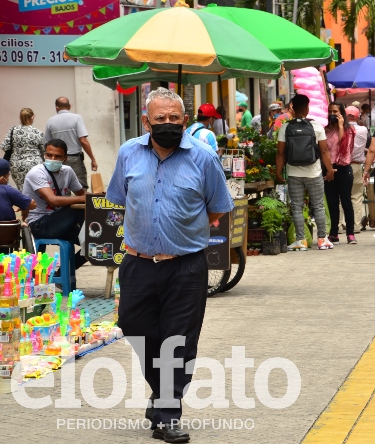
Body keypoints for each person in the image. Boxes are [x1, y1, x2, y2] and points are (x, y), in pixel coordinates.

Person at [106, 87, 234, 443]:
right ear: (146, 121)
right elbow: (119, 198)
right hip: (138, 262)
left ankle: (167, 414)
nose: (167, 124)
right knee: (132, 325)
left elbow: (218, 207)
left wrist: (184, 230)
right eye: (159, 118)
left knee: (178, 342)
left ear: (185, 120)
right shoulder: (128, 153)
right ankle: (163, 393)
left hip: (186, 266)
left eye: (173, 118)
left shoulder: (204, 158)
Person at [275, 94, 334, 251]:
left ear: (292, 108)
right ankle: (322, 239)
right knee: (318, 206)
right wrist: (329, 170)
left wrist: (278, 172)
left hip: (294, 173)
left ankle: (301, 241)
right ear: (307, 108)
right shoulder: (316, 126)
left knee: (297, 207)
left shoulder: (285, 127)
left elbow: (280, 153)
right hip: (314, 173)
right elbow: (324, 150)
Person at [23, 139, 86, 268]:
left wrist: (96, 197)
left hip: (59, 222)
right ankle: (93, 232)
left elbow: (82, 195)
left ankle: (61, 274)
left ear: (65, 158)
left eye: (58, 156)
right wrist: (83, 199)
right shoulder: (37, 172)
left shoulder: (68, 171)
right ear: (44, 155)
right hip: (39, 224)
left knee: (93, 245)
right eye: (49, 155)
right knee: (75, 209)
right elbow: (52, 200)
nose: (52, 159)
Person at [43, 97, 98, 189]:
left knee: (61, 187)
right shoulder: (77, 118)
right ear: (69, 106)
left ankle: (64, 203)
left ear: (57, 107)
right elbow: (83, 141)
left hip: (58, 160)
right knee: (81, 187)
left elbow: (48, 143)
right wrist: (92, 159)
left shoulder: (50, 121)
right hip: (75, 159)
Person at [324, 102, 357, 244]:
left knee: (346, 202)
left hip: (344, 169)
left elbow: (343, 147)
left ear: (341, 113)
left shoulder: (349, 130)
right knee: (332, 203)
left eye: (335, 111)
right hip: (329, 169)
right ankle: (334, 233)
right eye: (330, 111)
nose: (332, 114)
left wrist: (341, 126)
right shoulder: (325, 130)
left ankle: (350, 233)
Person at [1, 108, 44, 190]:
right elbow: (43, 150)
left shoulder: (13, 130)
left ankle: (23, 202)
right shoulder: (38, 132)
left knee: (22, 189)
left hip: (17, 164)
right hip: (35, 164)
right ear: (33, 117)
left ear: (19, 117)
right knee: (36, 188)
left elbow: (5, 146)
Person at [345, 105, 369, 233]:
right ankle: (356, 225)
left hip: (343, 166)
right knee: (357, 196)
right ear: (357, 116)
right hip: (356, 166)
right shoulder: (363, 129)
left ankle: (340, 224)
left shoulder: (341, 129)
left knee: (342, 196)